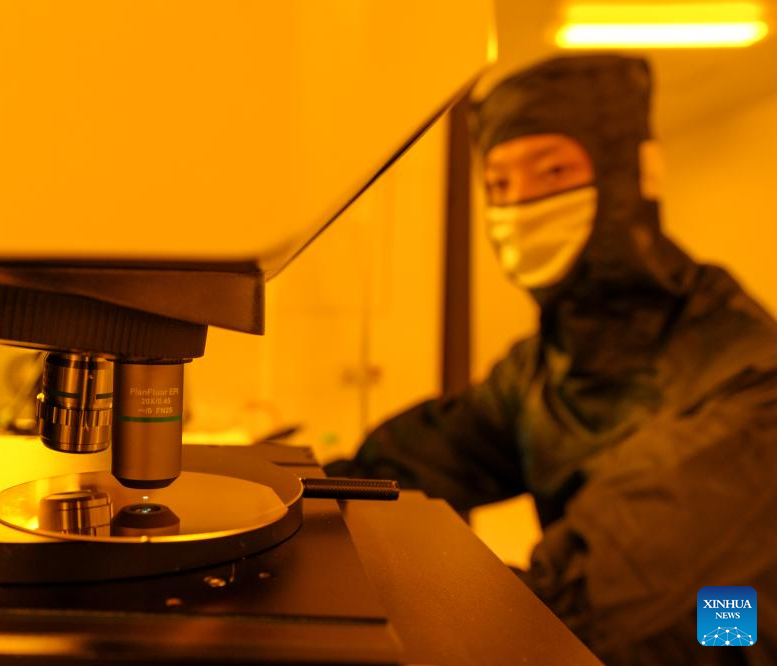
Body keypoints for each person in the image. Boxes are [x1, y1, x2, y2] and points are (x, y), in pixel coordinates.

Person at [326, 54, 777, 663]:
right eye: (499, 185)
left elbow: (588, 594)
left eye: (554, 171)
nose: (522, 205)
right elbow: (426, 454)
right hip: (599, 646)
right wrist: (307, 495)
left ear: (631, 176)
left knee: (722, 620)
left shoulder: (749, 377)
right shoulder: (549, 364)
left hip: (728, 636)